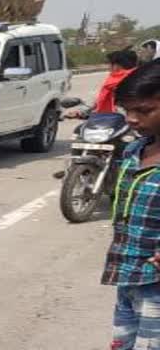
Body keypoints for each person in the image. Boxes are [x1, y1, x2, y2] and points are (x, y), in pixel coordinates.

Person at [103, 61, 160, 349]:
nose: (133, 119)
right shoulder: (136, 150)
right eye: (127, 110)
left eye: (144, 110)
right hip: (130, 274)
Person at [65, 49, 138, 118]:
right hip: (107, 120)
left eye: (110, 64)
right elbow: (99, 99)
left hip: (127, 121)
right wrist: (80, 111)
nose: (108, 67)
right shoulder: (113, 79)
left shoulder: (133, 81)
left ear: (117, 66)